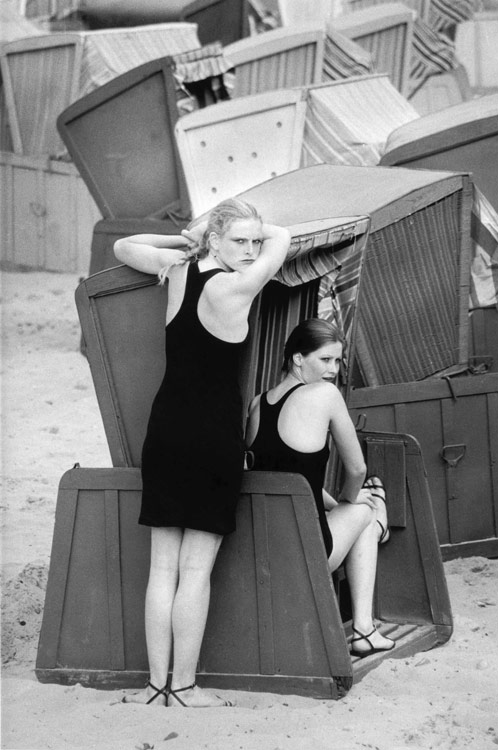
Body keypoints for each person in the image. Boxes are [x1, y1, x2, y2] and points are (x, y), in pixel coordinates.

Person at [114, 198, 290, 707]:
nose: (251, 249)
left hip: (166, 430)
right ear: (216, 240)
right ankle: (185, 687)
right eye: (239, 240)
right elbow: (282, 239)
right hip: (213, 437)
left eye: (253, 241)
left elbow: (124, 246)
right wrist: (253, 233)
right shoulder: (238, 286)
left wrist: (188, 239)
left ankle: (155, 686)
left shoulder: (176, 271)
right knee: (194, 571)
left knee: (162, 569)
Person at [246, 318, 395, 658]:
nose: (334, 370)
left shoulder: (257, 405)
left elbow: (290, 478)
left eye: (338, 361)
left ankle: (374, 524)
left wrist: (332, 506)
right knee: (367, 507)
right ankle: (364, 629)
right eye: (325, 359)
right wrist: (348, 499)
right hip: (308, 550)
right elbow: (357, 469)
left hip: (264, 547)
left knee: (357, 508)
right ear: (298, 358)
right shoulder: (325, 395)